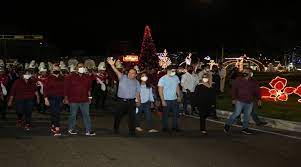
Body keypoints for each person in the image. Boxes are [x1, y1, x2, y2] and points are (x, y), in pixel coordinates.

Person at [107, 57, 141, 137]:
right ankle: (115, 129)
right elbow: (116, 71)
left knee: (132, 117)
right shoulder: (122, 77)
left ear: (136, 75)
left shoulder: (137, 82)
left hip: (131, 102)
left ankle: (132, 131)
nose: (130, 74)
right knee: (118, 116)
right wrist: (112, 65)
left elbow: (137, 92)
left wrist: (138, 101)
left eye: (133, 73)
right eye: (129, 72)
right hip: (121, 101)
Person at [224, 68, 261, 135]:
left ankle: (245, 128)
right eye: (243, 72)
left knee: (247, 116)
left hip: (250, 101)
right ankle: (227, 124)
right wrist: (233, 99)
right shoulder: (238, 80)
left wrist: (259, 99)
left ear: (250, 73)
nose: (244, 73)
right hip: (239, 100)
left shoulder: (254, 81)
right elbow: (234, 89)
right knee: (236, 114)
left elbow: (257, 90)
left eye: (246, 72)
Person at [64, 63, 96, 136]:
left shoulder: (87, 77)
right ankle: (71, 129)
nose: (81, 68)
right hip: (73, 100)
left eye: (83, 67)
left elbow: (89, 89)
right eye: (80, 67)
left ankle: (88, 130)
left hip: (84, 100)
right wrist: (66, 98)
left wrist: (90, 97)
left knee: (86, 115)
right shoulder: (70, 77)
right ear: (76, 68)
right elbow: (66, 89)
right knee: (73, 115)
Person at [158, 65, 181, 132]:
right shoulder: (162, 79)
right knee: (165, 115)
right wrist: (162, 100)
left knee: (176, 114)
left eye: (175, 71)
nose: (174, 72)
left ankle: (175, 127)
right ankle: (165, 128)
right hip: (166, 100)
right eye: (173, 71)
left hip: (174, 99)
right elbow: (160, 90)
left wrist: (179, 96)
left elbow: (177, 86)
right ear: (168, 70)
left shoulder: (176, 77)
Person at [44, 65, 65, 136]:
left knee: (55, 112)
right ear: (52, 70)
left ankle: (53, 125)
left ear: (60, 70)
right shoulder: (48, 78)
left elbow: (65, 88)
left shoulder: (62, 78)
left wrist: (65, 97)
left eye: (58, 69)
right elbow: (45, 89)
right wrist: (46, 99)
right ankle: (57, 128)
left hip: (60, 98)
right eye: (55, 69)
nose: (56, 70)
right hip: (52, 98)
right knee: (56, 113)